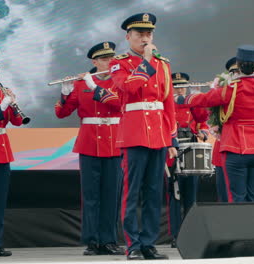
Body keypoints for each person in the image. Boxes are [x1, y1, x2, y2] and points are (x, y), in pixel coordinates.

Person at [108, 12, 177, 260]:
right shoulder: (120, 63)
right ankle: (133, 244)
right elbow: (127, 87)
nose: (145, 38)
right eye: (139, 34)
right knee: (132, 191)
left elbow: (168, 103)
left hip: (158, 134)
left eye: (148, 34)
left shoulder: (164, 64)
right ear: (128, 37)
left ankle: (148, 243)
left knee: (153, 192)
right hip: (134, 134)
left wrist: (171, 139)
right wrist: (146, 63)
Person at [55, 42, 124, 256]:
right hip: (89, 142)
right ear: (94, 62)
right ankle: (92, 241)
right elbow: (62, 113)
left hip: (115, 142)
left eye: (111, 58)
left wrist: (96, 88)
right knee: (91, 195)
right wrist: (65, 93)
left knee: (112, 194)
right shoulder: (80, 83)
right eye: (104, 59)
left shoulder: (119, 81)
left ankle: (109, 240)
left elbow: (119, 104)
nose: (109, 62)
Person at [184, 45, 254, 202]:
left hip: (236, 148)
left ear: (238, 65)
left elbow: (205, 100)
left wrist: (185, 98)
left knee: (236, 198)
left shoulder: (231, 88)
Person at [166, 72, 208, 248]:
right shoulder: (166, 104)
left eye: (182, 86)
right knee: (175, 196)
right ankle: (176, 235)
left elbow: (202, 120)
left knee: (191, 196)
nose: (180, 89)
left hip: (191, 148)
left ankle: (191, 234)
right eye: (176, 86)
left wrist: (198, 98)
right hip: (173, 151)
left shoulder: (190, 103)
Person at [0, 49, 24, 257]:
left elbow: (18, 121)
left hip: (1, 150)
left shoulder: (1, 91)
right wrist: (2, 105)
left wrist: (12, 102)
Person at [207, 57, 240, 202]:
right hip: (224, 147)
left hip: (246, 147)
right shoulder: (221, 92)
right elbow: (209, 116)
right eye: (233, 72)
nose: (236, 75)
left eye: (239, 71)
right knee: (225, 196)